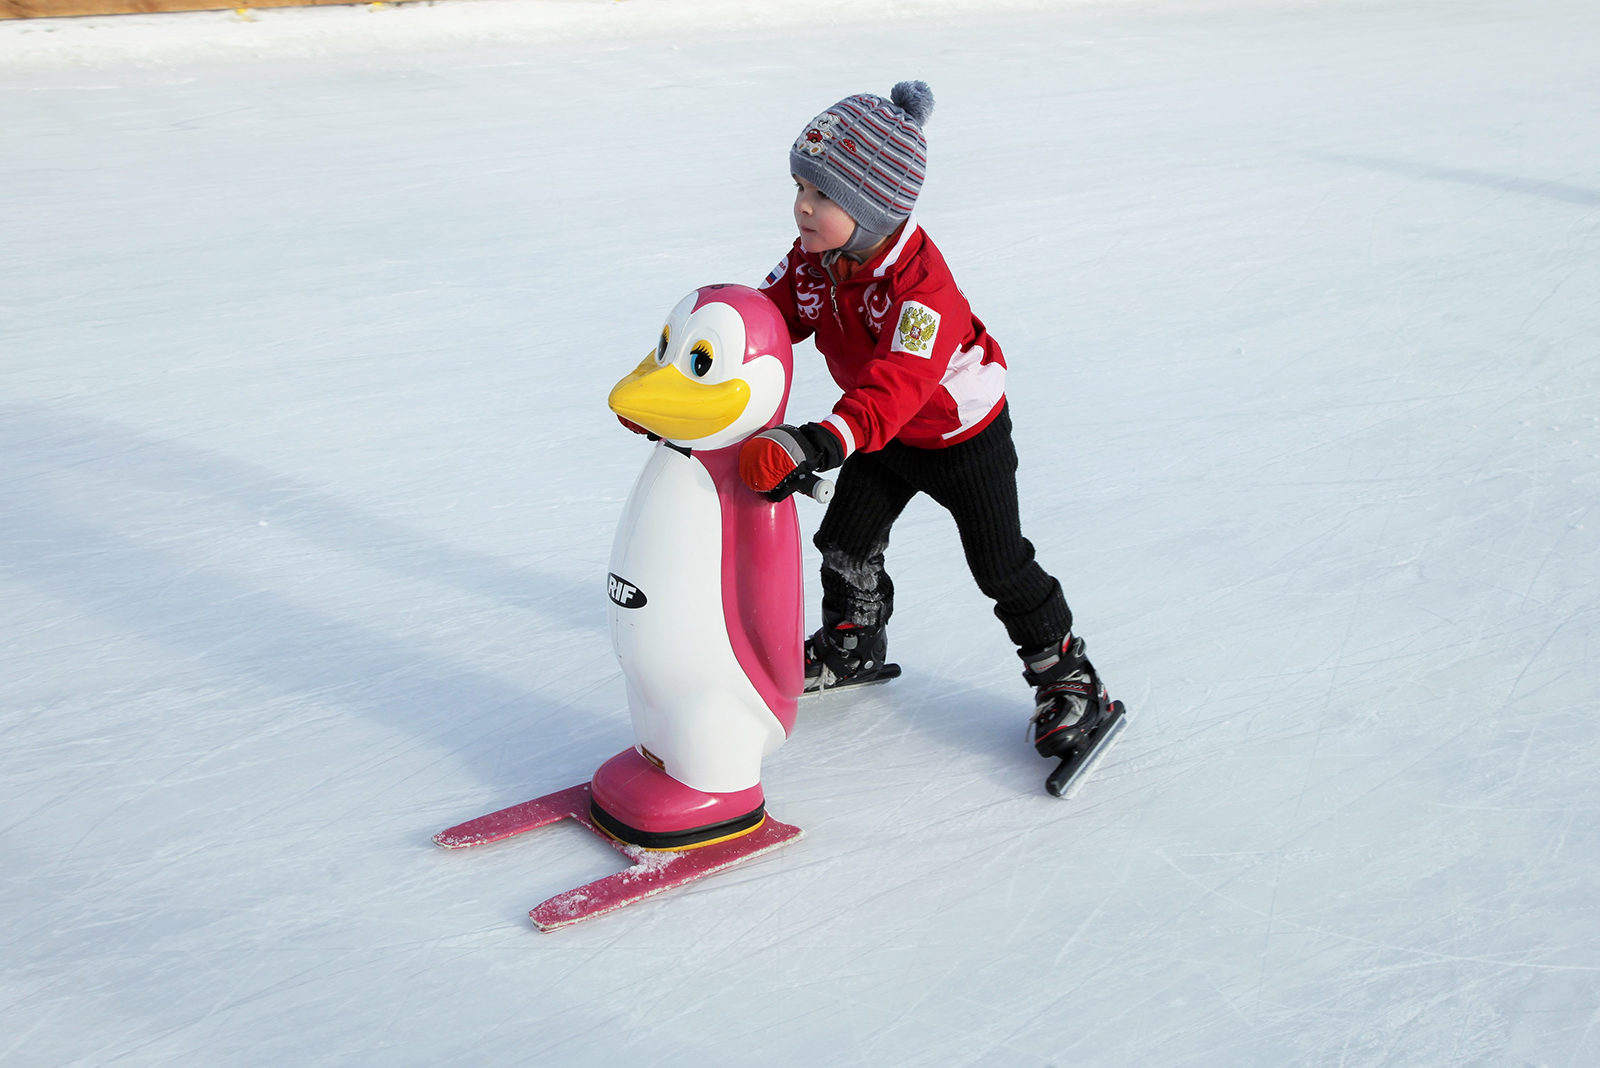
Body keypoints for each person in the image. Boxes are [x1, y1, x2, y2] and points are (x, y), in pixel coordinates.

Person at [735, 80, 1115, 767]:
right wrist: (708, 361)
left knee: (999, 564)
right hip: (885, 435)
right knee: (844, 541)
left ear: (874, 208)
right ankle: (853, 642)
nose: (802, 206)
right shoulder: (814, 260)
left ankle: (1069, 679)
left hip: (961, 436)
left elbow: (898, 383)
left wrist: (821, 441)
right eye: (799, 186)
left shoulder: (922, 292)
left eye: (823, 196)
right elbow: (770, 317)